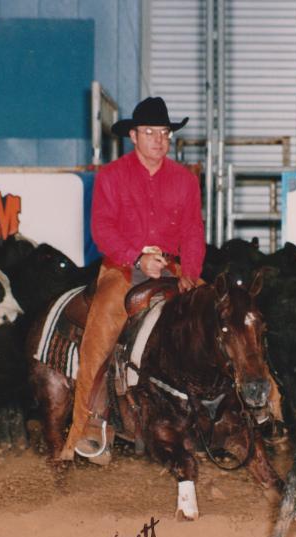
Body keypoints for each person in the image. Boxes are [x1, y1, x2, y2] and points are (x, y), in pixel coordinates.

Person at [60, 96, 206, 462]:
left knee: (217, 319)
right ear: (134, 137)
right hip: (122, 269)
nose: (159, 139)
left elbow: (193, 231)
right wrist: (137, 257)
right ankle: (89, 424)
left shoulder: (186, 181)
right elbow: (102, 229)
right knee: (101, 331)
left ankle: (245, 409)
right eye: (149, 132)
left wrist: (189, 273)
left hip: (173, 268)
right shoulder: (111, 176)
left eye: (165, 132)